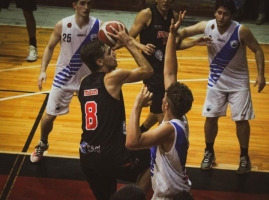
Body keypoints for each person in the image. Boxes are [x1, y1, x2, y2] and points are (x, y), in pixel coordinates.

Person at [177, 0, 266, 174]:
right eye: (218, 12)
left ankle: (244, 156)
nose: (221, 17)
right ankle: (209, 151)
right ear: (214, 13)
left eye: (225, 14)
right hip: (216, 82)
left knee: (241, 120)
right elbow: (185, 31)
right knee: (210, 118)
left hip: (239, 83)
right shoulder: (207, 26)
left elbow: (258, 50)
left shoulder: (241, 30)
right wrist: (175, 35)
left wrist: (261, 74)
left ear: (231, 15)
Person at [78, 23, 154, 199]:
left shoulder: (83, 82)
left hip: (87, 156)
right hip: (111, 155)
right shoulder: (113, 77)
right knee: (154, 159)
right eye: (108, 51)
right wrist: (128, 41)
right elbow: (147, 70)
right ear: (100, 62)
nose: (114, 52)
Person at [126, 11, 195, 200]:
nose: (162, 96)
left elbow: (132, 142)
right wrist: (171, 34)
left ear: (165, 106)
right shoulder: (181, 117)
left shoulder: (167, 130)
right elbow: (170, 71)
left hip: (170, 196)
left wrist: (137, 106)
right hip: (175, 189)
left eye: (164, 97)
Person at [30, 0, 102, 163]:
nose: (86, 7)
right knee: (48, 117)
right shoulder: (63, 25)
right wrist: (42, 71)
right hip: (64, 78)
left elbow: (110, 45)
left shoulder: (98, 26)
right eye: (82, 3)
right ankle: (43, 143)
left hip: (88, 80)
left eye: (89, 3)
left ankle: (93, 147)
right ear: (74, 5)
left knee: (92, 119)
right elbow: (49, 47)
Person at [129, 0, 178, 133]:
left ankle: (142, 130)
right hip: (151, 70)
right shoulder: (146, 14)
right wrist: (141, 47)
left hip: (166, 70)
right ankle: (160, 146)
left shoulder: (174, 16)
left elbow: (176, 43)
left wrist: (195, 41)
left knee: (160, 105)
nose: (166, 1)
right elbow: (129, 37)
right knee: (163, 110)